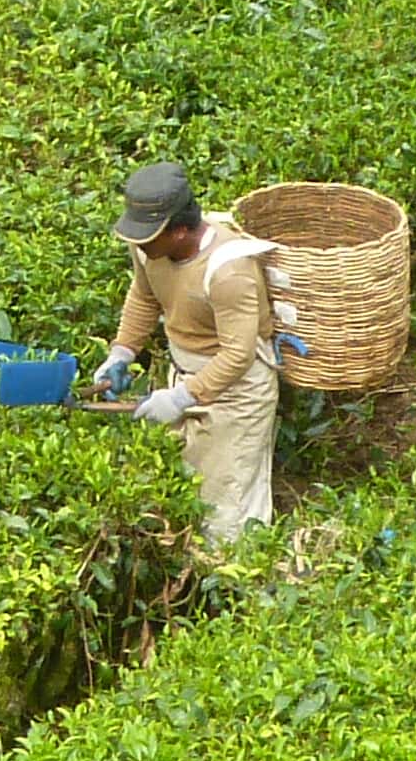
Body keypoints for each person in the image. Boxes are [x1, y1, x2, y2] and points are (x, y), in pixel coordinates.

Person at [96, 161, 280, 542]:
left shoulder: (230, 272)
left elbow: (237, 356)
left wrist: (183, 396)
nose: (140, 243)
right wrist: (122, 353)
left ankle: (244, 589)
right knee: (184, 493)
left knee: (227, 508)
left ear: (180, 231)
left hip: (237, 391)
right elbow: (144, 296)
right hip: (184, 372)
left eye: (149, 236)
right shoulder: (149, 251)